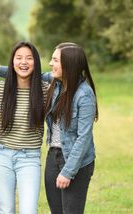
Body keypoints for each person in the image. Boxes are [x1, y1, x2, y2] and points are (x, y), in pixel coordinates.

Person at [0, 42, 49, 214]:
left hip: (29, 157)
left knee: (29, 211)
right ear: (12, 62)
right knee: (6, 210)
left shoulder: (45, 90)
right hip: (2, 156)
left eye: (29, 58)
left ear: (36, 63)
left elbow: (61, 76)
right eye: (19, 58)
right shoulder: (1, 88)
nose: (24, 62)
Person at [44, 42, 98, 214]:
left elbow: (84, 138)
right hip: (53, 156)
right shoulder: (56, 82)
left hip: (77, 162)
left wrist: (68, 172)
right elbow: (26, 73)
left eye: (55, 60)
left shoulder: (84, 94)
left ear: (69, 65)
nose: (51, 64)